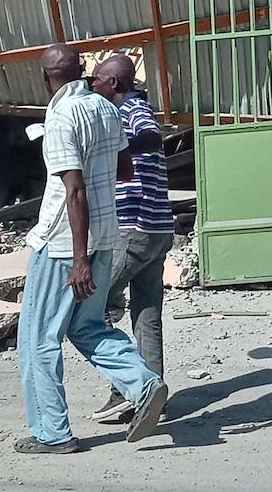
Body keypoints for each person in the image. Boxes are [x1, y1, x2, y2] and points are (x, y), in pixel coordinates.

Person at [15, 43, 169, 453]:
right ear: (80, 69)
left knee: (38, 338)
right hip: (106, 235)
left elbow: (74, 191)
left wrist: (78, 259)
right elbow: (123, 168)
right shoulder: (104, 109)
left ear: (46, 77)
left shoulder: (61, 115)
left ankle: (52, 432)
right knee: (87, 326)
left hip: (65, 244)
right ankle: (144, 384)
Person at [89, 53, 175, 425]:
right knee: (146, 313)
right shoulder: (128, 108)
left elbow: (152, 137)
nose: (92, 84)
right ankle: (152, 391)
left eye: (97, 79)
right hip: (158, 230)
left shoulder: (132, 109)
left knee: (96, 305)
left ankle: (128, 388)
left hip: (135, 229)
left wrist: (119, 149)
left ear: (114, 84)